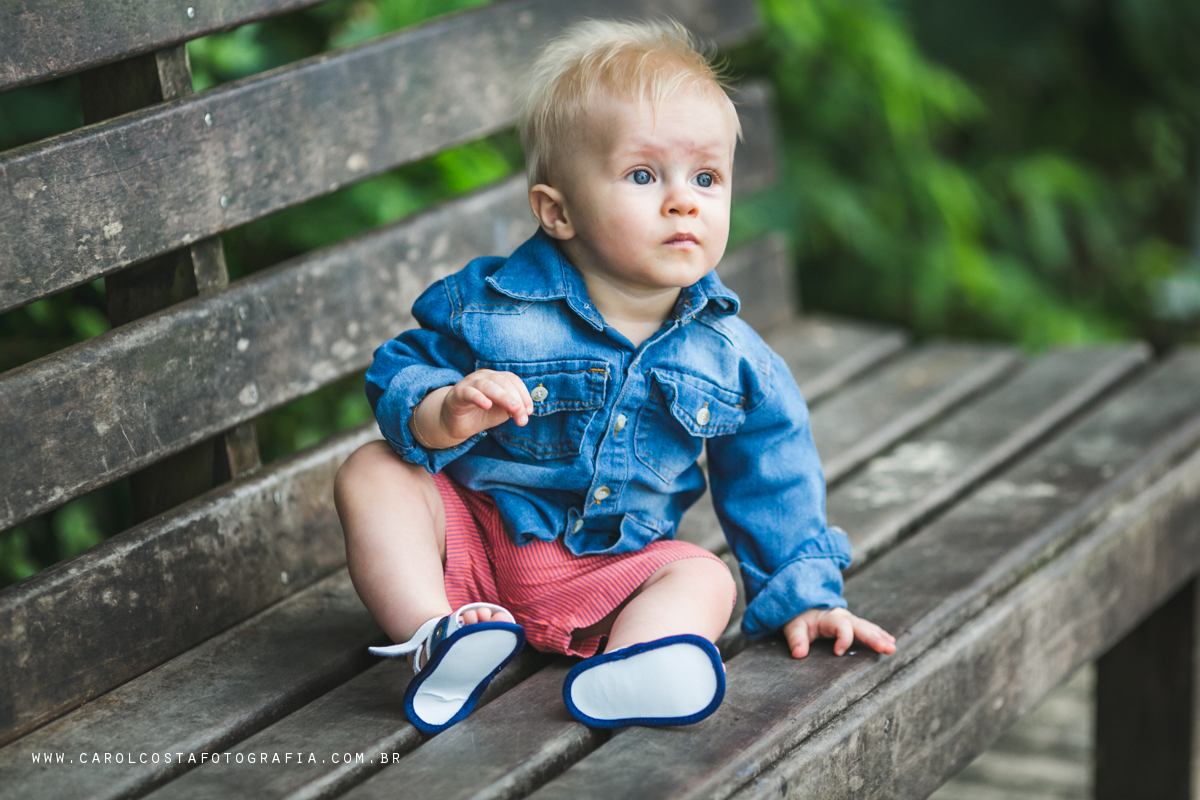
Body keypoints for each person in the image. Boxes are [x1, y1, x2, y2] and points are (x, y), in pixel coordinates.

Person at [334, 18, 895, 735]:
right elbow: (399, 370)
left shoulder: (732, 355)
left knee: (703, 576)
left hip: (609, 576)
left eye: (706, 177)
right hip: (473, 542)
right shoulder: (494, 306)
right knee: (371, 472)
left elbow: (773, 474)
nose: (682, 200)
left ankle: (634, 664)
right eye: (642, 175)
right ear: (557, 212)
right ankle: (438, 636)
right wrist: (442, 409)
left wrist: (806, 594)